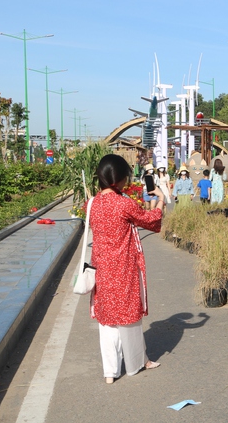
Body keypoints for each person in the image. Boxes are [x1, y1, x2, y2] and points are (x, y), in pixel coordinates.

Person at [88, 154, 165, 384]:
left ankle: (110, 372)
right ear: (120, 179)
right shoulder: (123, 203)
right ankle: (136, 363)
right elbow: (150, 220)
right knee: (129, 317)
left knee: (107, 320)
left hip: (102, 267)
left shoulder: (93, 203)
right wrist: (161, 199)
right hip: (123, 267)